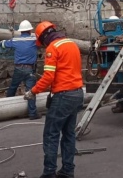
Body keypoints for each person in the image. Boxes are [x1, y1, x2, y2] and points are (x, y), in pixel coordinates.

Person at [23, 21, 84, 178]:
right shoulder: (72, 44)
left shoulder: (53, 48)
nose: (43, 45)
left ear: (44, 37)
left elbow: (48, 77)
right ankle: (68, 170)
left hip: (63, 95)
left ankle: (49, 172)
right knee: (69, 134)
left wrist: (33, 91)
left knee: (51, 135)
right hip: (77, 93)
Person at [0, 20, 41, 120]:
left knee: (13, 87)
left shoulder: (15, 40)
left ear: (21, 31)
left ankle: (7, 109)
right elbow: (43, 41)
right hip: (30, 69)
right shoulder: (34, 39)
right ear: (30, 30)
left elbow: (3, 44)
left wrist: (4, 41)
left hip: (18, 68)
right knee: (31, 91)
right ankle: (32, 114)